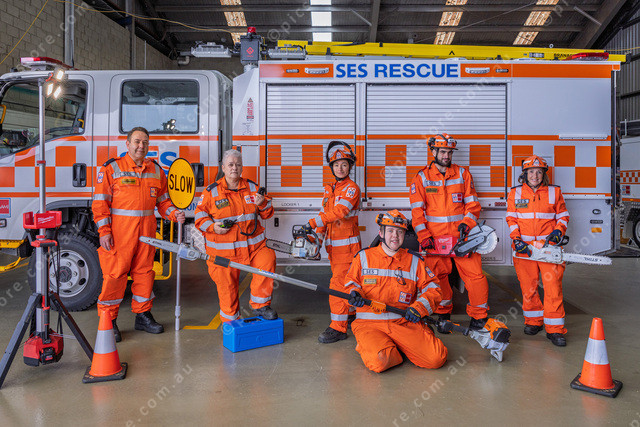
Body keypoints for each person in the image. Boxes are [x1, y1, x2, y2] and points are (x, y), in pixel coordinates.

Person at [92, 127, 185, 342]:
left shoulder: (156, 170)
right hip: (120, 234)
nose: (141, 146)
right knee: (115, 275)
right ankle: (108, 320)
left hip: (146, 233)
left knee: (144, 273)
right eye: (136, 141)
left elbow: (163, 202)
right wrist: (104, 231)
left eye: (144, 142)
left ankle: (143, 315)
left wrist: (174, 214)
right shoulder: (111, 168)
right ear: (127, 144)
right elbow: (100, 203)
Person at [344, 210, 447, 373]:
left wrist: (419, 308)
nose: (395, 236)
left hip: (403, 322)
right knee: (380, 361)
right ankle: (393, 349)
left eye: (399, 232)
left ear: (404, 235)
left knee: (436, 358)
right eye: (390, 231)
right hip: (370, 325)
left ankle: (397, 345)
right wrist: (354, 294)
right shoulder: (363, 257)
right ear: (381, 233)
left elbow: (434, 289)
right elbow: (350, 284)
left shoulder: (415, 261)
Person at [409, 133, 489, 331]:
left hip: (463, 237)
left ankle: (479, 317)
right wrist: (424, 236)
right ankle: (443, 314)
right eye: (443, 151)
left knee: (475, 277)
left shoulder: (463, 174)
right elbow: (417, 212)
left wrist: (467, 224)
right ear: (433, 152)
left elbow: (473, 205)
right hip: (435, 239)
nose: (446, 156)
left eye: (449, 152)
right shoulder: (422, 177)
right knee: (437, 278)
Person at [194, 149, 277, 322]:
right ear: (223, 168)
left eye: (238, 165)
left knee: (267, 259)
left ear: (242, 168)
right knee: (227, 289)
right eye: (230, 165)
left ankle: (260, 305)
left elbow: (268, 214)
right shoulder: (211, 192)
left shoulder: (253, 188)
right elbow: (199, 218)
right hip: (223, 253)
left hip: (254, 248)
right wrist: (213, 227)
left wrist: (262, 204)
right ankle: (230, 321)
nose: (234, 168)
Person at [506, 155, 570, 347]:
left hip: (548, 249)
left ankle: (555, 329)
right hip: (524, 249)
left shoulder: (554, 192)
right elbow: (511, 219)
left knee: (553, 289)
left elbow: (563, 216)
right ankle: (533, 321)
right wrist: (516, 240)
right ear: (525, 174)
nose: (535, 175)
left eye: (539, 172)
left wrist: (558, 232)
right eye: (531, 172)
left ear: (544, 174)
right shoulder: (515, 193)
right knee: (528, 288)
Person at [305, 141, 361, 343]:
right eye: (336, 165)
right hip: (334, 250)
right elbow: (324, 219)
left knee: (338, 286)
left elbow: (339, 212)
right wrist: (316, 243)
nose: (340, 168)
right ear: (331, 167)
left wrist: (312, 222)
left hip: (347, 248)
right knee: (348, 284)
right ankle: (351, 315)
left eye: (344, 164)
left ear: (350, 166)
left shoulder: (352, 189)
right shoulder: (330, 190)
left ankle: (338, 328)